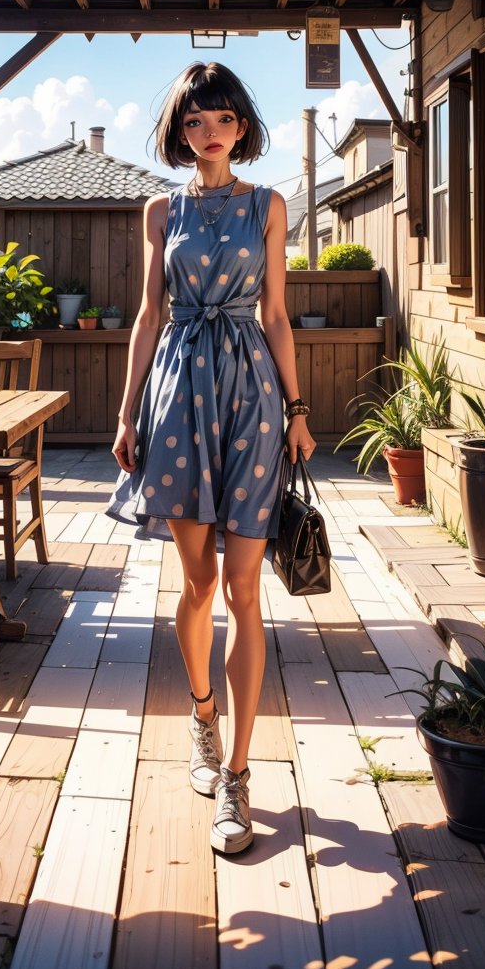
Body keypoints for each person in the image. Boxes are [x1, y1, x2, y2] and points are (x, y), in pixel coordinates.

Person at [109, 61, 315, 856]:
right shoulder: (161, 209)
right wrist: (127, 414)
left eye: (222, 118)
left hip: (253, 399)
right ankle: (201, 718)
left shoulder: (269, 205)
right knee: (197, 584)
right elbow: (147, 314)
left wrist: (298, 410)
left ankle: (238, 775)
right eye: (196, 121)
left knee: (244, 590)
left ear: (241, 126)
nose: (210, 132)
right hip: (178, 394)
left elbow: (276, 312)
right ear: (181, 129)